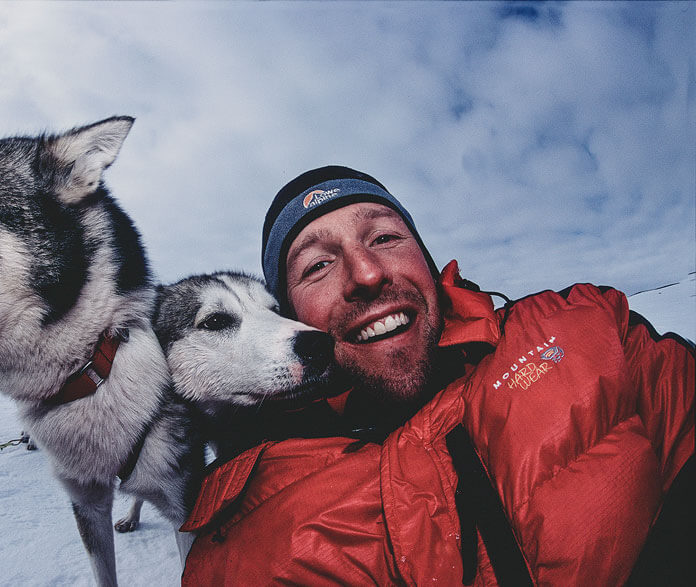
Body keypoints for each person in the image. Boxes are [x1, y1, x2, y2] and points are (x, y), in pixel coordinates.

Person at [179, 166, 694, 586]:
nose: (365, 273)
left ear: (425, 260)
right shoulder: (245, 539)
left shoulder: (588, 327)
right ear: (290, 316)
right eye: (316, 265)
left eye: (384, 236)